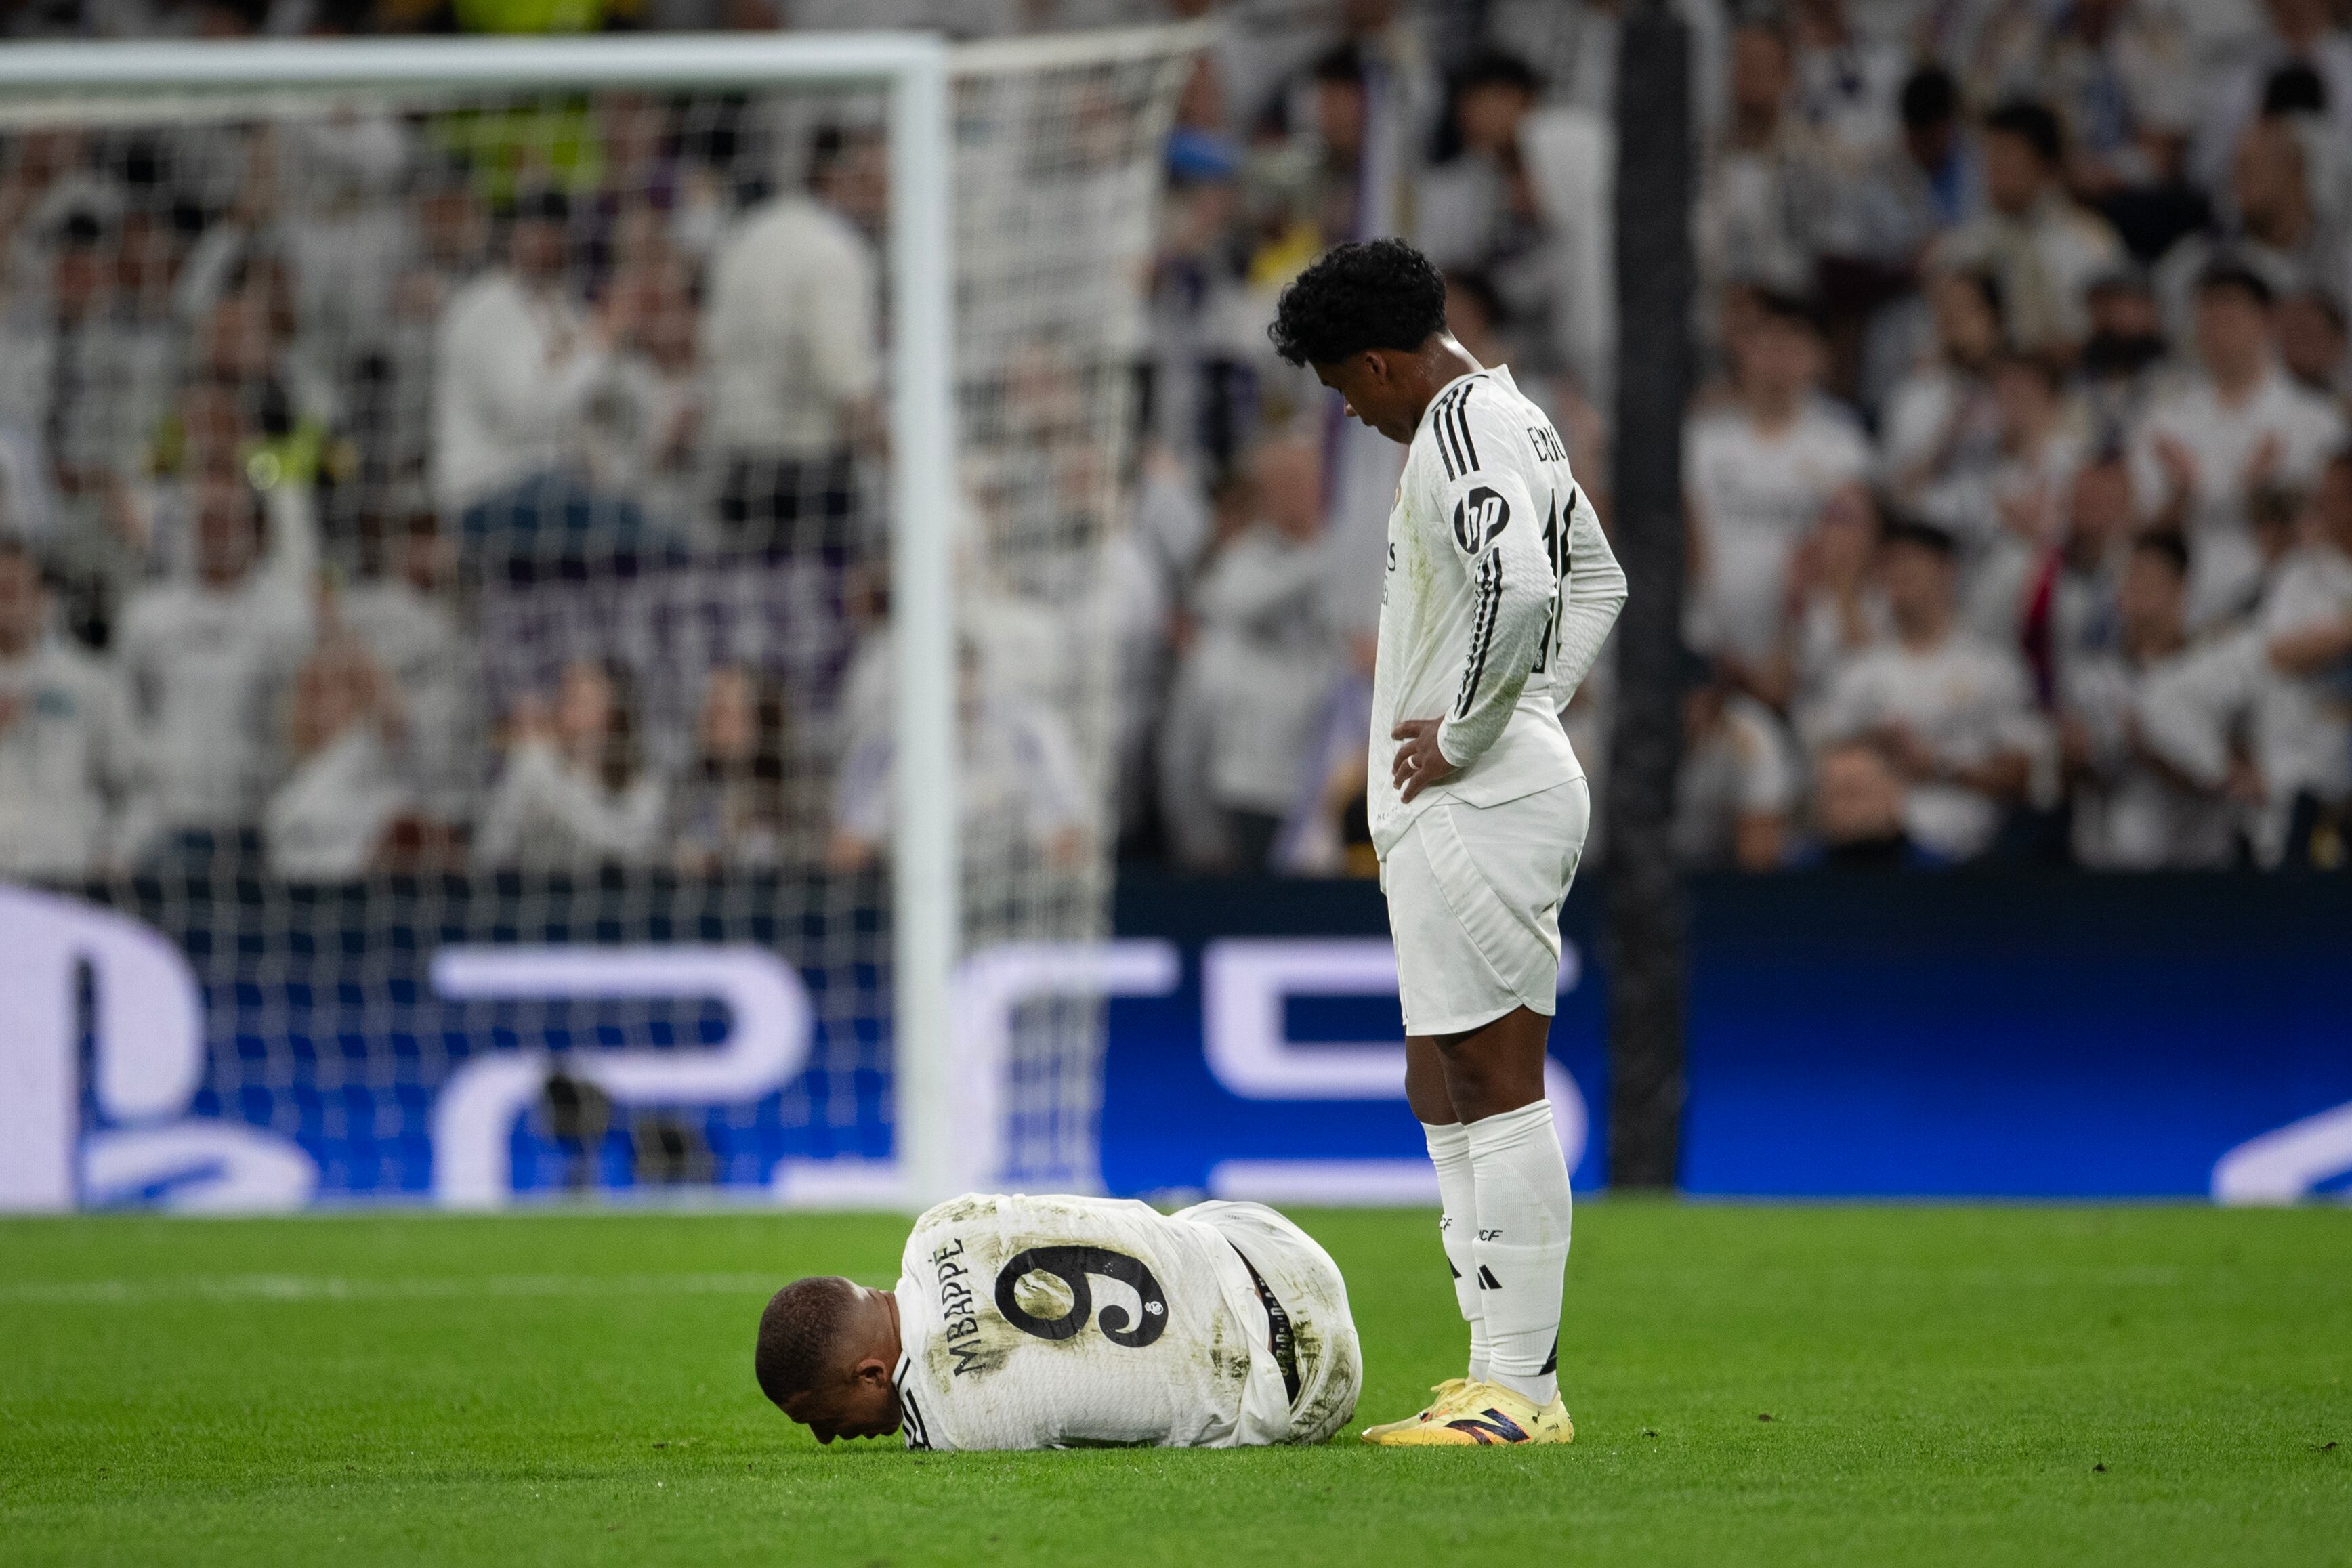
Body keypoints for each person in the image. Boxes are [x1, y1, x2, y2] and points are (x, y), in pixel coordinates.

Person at [1269, 238, 1624, 1447]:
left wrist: (1481, 730)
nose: (1348, 413)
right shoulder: (1511, 417)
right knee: (1442, 1079)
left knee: (1490, 1076)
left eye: (1339, 389)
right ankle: (1489, 1370)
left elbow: (1528, 588)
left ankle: (1520, 1395)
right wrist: (1530, 706)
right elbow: (1599, 581)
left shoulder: (1459, 433)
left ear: (1374, 365)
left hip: (1478, 800)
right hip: (1468, 796)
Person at [755, 1192, 1361, 1452]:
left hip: (1306, 1384)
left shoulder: (950, 1430)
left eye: (823, 1419)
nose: (826, 1439)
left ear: (869, 1374)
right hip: (1274, 1242)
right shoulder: (938, 1223)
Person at [1807, 520, 2049, 862]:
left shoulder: (1993, 668)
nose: (1900, 576)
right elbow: (1825, 762)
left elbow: (2026, 774)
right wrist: (1873, 746)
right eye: (1890, 566)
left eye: (1911, 563)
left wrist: (1936, 763)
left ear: (1947, 571)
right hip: (1877, 855)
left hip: (1975, 857)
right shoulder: (1858, 672)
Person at [2128, 261, 2346, 628]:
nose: (2216, 331)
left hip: (2289, 593)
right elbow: (2142, 534)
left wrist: (2268, 499)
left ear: (2266, 322)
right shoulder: (2162, 421)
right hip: (2189, 593)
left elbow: (2334, 527)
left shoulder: (2318, 421)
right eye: (2207, 318)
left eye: (2229, 317)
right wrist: (2182, 495)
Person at [1685, 290, 1871, 692]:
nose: (1777, 358)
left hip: (1802, 643)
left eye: (1793, 344)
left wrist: (1791, 641)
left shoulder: (1840, 444)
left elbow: (1849, 542)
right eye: (1766, 344)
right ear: (1743, 352)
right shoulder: (1704, 439)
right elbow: (1691, 544)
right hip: (1713, 640)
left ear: (1817, 357)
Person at [1931, 99, 2123, 360]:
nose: (1995, 172)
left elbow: (2112, 331)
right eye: (1990, 158)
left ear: (2047, 165)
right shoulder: (1966, 245)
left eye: (2007, 157)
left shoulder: (2090, 243)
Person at [0, 534, 136, 878]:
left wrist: (116, 852)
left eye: (12, 591)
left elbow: (138, 787)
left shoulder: (91, 683)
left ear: (44, 599)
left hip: (70, 880)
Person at [474, 658, 667, 872]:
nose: (565, 711)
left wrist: (548, 781)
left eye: (580, 701)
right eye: (564, 698)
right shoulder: (533, 764)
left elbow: (634, 849)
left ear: (614, 714)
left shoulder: (644, 784)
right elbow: (489, 851)